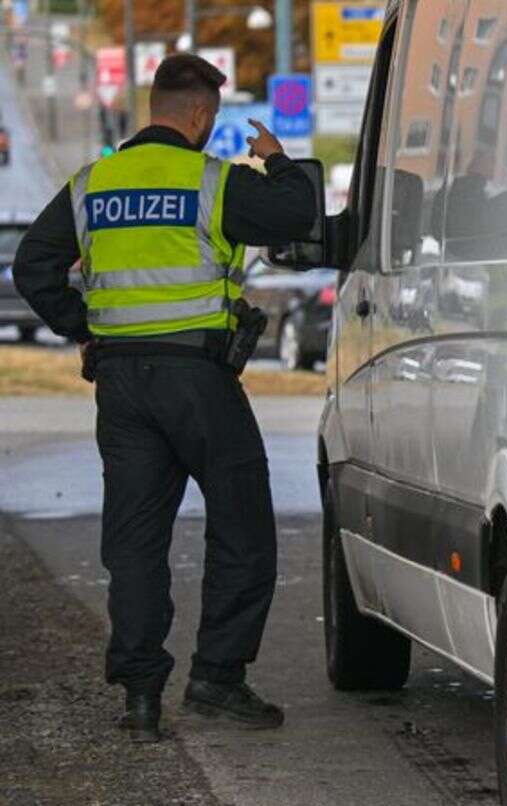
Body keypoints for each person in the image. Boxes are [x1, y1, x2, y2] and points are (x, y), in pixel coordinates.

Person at [12, 53, 317, 743]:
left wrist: (82, 326)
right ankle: (216, 677)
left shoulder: (94, 182)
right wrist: (274, 157)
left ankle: (141, 695)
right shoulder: (211, 181)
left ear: (154, 106)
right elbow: (297, 213)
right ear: (202, 115)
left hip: (121, 385)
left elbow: (32, 263)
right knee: (240, 524)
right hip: (200, 379)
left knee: (135, 540)